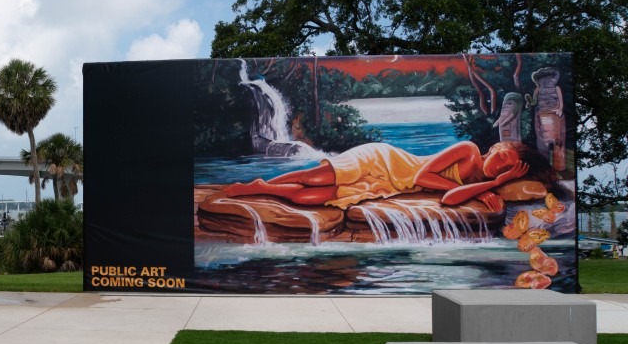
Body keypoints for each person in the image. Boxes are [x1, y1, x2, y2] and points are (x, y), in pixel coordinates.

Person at [223, 140, 545, 211]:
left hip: (387, 185)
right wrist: (482, 188)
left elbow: (448, 199)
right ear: (496, 146)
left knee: (313, 198)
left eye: (506, 169)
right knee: (316, 178)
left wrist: (492, 185)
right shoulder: (469, 150)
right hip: (384, 160)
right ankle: (260, 185)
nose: (499, 166)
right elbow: (423, 177)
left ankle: (262, 187)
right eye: (502, 156)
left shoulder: (483, 181)